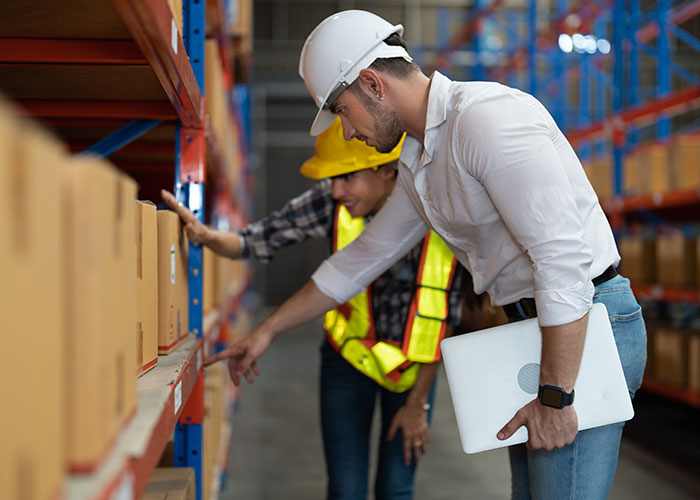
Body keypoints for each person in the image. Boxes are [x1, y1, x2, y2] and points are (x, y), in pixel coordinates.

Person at [205, 9, 648, 500]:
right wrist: (267, 329)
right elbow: (361, 259)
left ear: (372, 84)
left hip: (584, 326)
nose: (347, 133)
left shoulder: (484, 120)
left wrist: (556, 397)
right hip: (533, 331)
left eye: (342, 112)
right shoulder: (418, 160)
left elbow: (562, 260)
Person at [161, 118, 466, 500]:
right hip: (346, 361)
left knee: (396, 488)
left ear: (387, 172)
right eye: (332, 179)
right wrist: (206, 236)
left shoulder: (438, 212)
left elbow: (445, 319)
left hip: (412, 373)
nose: (335, 190)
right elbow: (258, 239)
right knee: (345, 489)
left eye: (347, 178)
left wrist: (418, 403)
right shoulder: (331, 201)